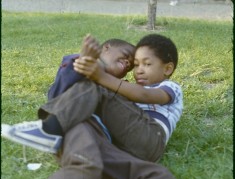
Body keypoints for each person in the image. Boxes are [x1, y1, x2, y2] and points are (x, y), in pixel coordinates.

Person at [1, 35, 177, 179]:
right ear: (106, 49)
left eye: (132, 66)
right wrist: (86, 62)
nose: (131, 68)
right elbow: (57, 96)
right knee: (87, 165)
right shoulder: (77, 70)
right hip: (79, 129)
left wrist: (100, 76)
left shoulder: (117, 90)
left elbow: (130, 105)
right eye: (132, 62)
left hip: (102, 138)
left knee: (159, 176)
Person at [1, 34, 183, 164]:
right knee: (94, 103)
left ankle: (50, 129)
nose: (138, 70)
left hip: (151, 138)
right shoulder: (130, 91)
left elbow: (144, 95)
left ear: (167, 69)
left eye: (147, 64)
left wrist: (102, 78)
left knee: (98, 87)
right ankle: (66, 142)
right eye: (136, 65)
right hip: (129, 149)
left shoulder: (169, 87)